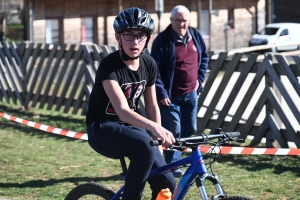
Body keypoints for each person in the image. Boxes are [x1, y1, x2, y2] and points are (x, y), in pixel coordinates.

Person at [86, 7, 176, 200]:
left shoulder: (149, 63)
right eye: (129, 35)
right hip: (102, 128)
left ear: (148, 39)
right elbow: (122, 110)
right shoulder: (109, 66)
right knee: (144, 146)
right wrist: (154, 129)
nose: (135, 42)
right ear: (118, 37)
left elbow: (151, 106)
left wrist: (157, 134)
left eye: (141, 36)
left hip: (131, 127)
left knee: (167, 183)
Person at [151, 5, 209, 177]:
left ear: (189, 21)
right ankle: (172, 165)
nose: (181, 24)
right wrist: (161, 93)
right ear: (171, 20)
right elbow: (154, 70)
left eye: (184, 20)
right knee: (173, 130)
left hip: (191, 94)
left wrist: (200, 79)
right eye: (178, 20)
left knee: (190, 128)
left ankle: (177, 159)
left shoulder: (196, 36)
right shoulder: (162, 41)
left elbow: (204, 57)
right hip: (171, 97)